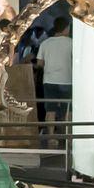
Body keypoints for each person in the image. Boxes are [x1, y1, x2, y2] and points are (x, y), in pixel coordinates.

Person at [36, 17, 73, 148]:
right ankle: (68, 137)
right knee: (67, 110)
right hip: (67, 81)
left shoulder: (45, 43)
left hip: (49, 81)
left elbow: (39, 63)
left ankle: (51, 138)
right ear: (66, 28)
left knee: (50, 110)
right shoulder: (71, 43)